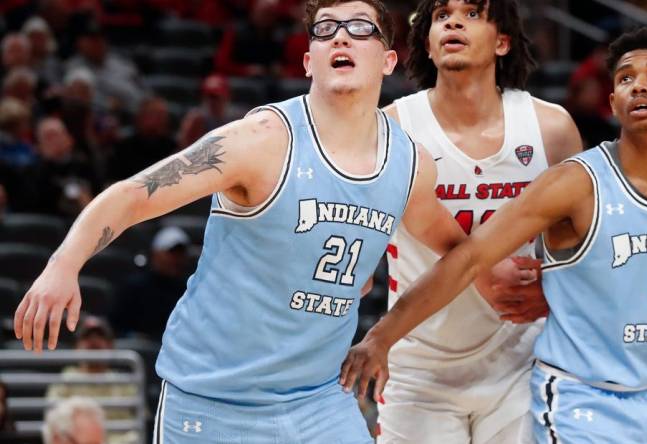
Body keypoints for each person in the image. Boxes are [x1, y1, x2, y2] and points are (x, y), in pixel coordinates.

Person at [13, 1, 511, 442]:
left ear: (387, 60)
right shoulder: (262, 141)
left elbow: (459, 252)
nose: (339, 35)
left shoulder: (409, 164)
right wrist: (64, 262)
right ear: (307, 60)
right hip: (213, 401)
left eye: (360, 27)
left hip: (320, 402)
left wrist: (385, 334)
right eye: (324, 29)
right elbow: (134, 194)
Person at [341, 27, 647, 443]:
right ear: (612, 101)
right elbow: (470, 257)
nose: (639, 86)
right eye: (626, 78)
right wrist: (382, 335)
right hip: (575, 398)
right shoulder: (575, 183)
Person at [376, 0, 582, 442]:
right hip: (418, 367)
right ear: (427, 46)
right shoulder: (392, 128)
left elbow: (584, 246)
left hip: (520, 362)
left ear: (503, 41)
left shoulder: (552, 128)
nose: (453, 21)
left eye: (472, 13)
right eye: (441, 15)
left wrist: (556, 293)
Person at [45, 316, 138, 444]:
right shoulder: (64, 381)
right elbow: (53, 426)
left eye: (100, 336)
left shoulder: (125, 384)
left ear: (111, 346)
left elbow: (140, 426)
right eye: (87, 337)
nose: (94, 341)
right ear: (76, 346)